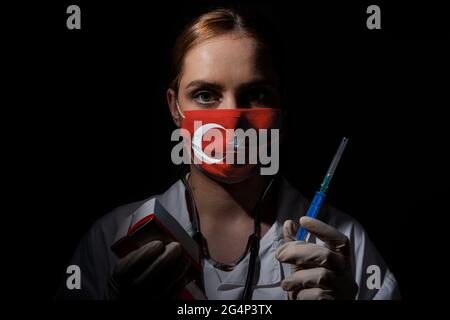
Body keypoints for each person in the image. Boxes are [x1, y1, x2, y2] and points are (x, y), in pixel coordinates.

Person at [57, 7, 400, 300]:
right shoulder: (111, 237)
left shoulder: (343, 242)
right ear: (174, 108)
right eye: (206, 94)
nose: (234, 121)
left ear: (281, 104)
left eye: (256, 94)